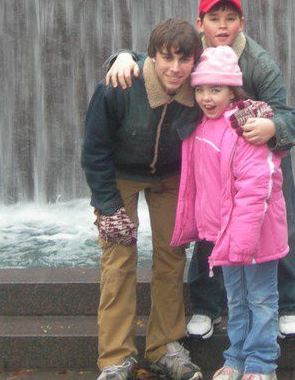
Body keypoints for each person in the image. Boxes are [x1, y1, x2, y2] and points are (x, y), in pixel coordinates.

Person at [105, 0, 295, 339]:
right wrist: (121, 56)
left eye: (230, 18)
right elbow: (158, 57)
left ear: (242, 23)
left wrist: (273, 127)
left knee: (279, 221)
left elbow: (290, 116)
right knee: (207, 222)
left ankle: (288, 305)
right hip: (210, 150)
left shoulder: (259, 64)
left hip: (258, 153)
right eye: (214, 19)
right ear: (200, 24)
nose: (222, 26)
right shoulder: (191, 53)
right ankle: (206, 305)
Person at [81, 19, 205, 380]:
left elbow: (233, 91)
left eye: (184, 60)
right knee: (118, 256)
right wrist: (108, 206)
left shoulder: (199, 86)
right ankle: (115, 358)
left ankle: (165, 346)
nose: (175, 68)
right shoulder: (118, 87)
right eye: (167, 58)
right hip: (120, 174)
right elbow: (94, 152)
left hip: (169, 175)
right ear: (151, 57)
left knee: (172, 253)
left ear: (195, 61)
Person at [171, 45, 288, 380]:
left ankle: (262, 363)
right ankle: (235, 357)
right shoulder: (199, 127)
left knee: (261, 299)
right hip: (225, 235)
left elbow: (256, 186)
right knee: (236, 299)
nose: (207, 98)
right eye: (200, 90)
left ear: (232, 91)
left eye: (216, 90)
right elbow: (199, 185)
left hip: (257, 235)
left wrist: (244, 239)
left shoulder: (245, 127)